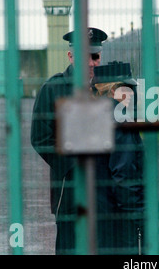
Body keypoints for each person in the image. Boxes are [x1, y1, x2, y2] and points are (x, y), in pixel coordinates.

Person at [30, 27, 107, 254]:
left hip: (107, 190)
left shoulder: (111, 88)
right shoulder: (53, 89)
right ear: (71, 56)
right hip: (70, 188)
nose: (91, 63)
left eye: (95, 56)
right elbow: (40, 137)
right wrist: (73, 165)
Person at [91, 62, 144, 254]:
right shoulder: (120, 120)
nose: (132, 94)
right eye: (127, 89)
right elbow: (124, 174)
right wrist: (139, 215)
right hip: (120, 216)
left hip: (97, 212)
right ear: (112, 90)